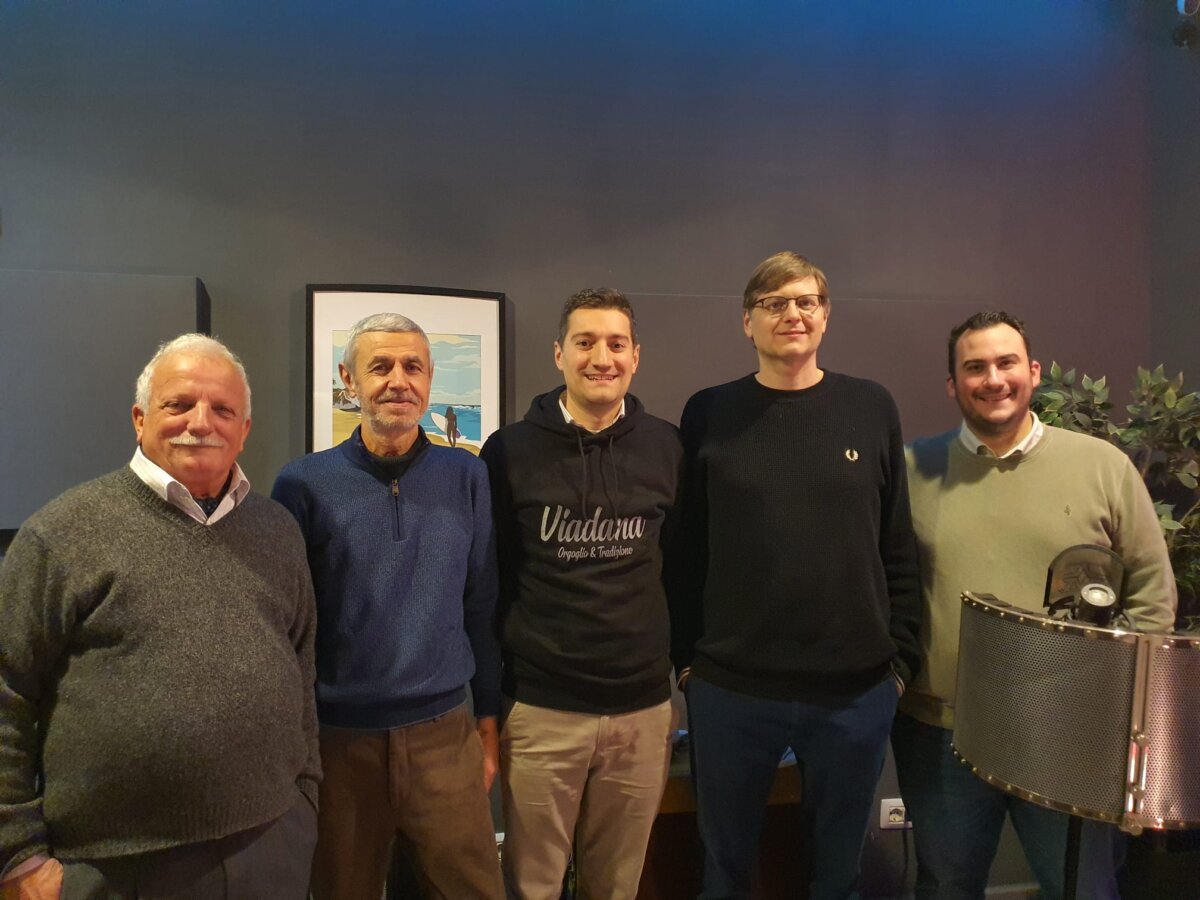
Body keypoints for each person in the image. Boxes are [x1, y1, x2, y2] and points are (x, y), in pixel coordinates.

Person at [0, 333, 320, 900]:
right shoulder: (60, 534)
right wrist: (17, 855)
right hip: (112, 866)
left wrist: (305, 798)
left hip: (271, 849)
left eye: (223, 409)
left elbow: (302, 669)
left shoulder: (278, 530)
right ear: (140, 419)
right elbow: (8, 692)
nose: (201, 422)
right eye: (179, 404)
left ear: (244, 428)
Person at [894, 311, 1177, 900]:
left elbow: (1152, 595)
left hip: (1071, 734)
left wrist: (1117, 700)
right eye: (975, 367)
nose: (993, 379)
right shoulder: (912, 470)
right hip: (944, 734)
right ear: (952, 384)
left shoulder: (1103, 466)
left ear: (1035, 372)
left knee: (1084, 888)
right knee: (946, 886)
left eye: (1007, 363)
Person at [672, 252, 922, 900]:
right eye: (774, 303)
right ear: (747, 321)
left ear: (825, 315)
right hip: (732, 692)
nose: (793, 314)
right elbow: (685, 550)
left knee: (837, 879)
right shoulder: (709, 412)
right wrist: (688, 667)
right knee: (722, 875)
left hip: (854, 694)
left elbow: (896, 543)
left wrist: (899, 668)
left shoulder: (870, 407)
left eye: (806, 301)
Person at [272, 312, 503, 900]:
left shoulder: (467, 476)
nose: (398, 380)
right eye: (380, 367)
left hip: (446, 737)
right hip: (339, 745)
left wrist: (488, 722)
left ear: (429, 381)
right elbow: (287, 629)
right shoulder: (303, 485)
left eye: (412, 367)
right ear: (349, 379)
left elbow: (481, 605)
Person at [481, 288, 683, 900]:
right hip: (542, 710)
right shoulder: (509, 451)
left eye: (616, 344)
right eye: (585, 342)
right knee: (532, 886)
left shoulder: (667, 446)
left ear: (636, 356)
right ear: (559, 354)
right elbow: (491, 579)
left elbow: (682, 566)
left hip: (642, 712)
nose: (602, 358)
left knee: (616, 886)